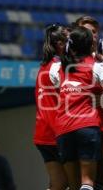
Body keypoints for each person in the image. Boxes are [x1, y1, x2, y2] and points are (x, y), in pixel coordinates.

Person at [75, 15, 103, 190]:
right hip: (84, 123)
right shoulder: (71, 60)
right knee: (88, 177)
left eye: (94, 32)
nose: (92, 35)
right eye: (87, 31)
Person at [33, 23, 68, 190]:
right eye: (69, 40)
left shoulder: (43, 66)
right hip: (56, 133)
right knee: (73, 182)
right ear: (61, 44)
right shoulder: (58, 67)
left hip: (43, 133)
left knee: (58, 184)